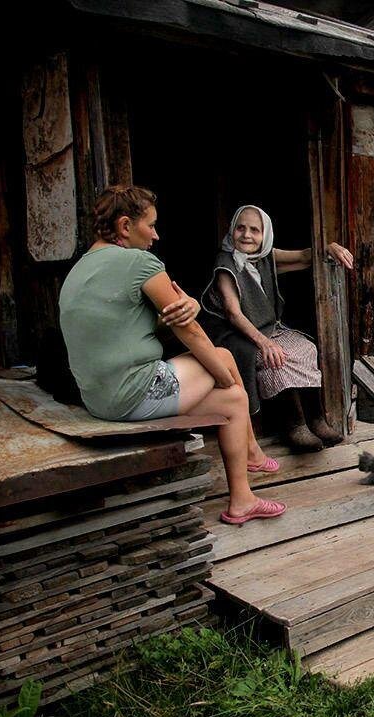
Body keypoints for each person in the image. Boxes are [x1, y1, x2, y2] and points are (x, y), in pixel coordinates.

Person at [59, 186, 285, 525]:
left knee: (229, 388)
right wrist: (223, 379)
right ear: (125, 226)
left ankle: (247, 478)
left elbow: (162, 320)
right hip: (134, 391)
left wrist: (191, 305)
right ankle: (244, 487)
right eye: (150, 225)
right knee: (230, 379)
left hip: (97, 397)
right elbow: (189, 331)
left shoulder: (80, 268)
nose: (156, 234)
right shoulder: (139, 262)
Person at [199, 205, 354, 452]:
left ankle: (316, 420)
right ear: (232, 230)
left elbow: (304, 256)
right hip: (235, 334)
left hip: (266, 328)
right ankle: (295, 426)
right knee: (276, 358)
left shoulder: (264, 257)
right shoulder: (226, 263)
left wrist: (329, 247)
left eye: (254, 230)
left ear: (265, 235)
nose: (246, 235)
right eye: (241, 228)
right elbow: (233, 312)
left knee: (306, 348)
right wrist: (265, 342)